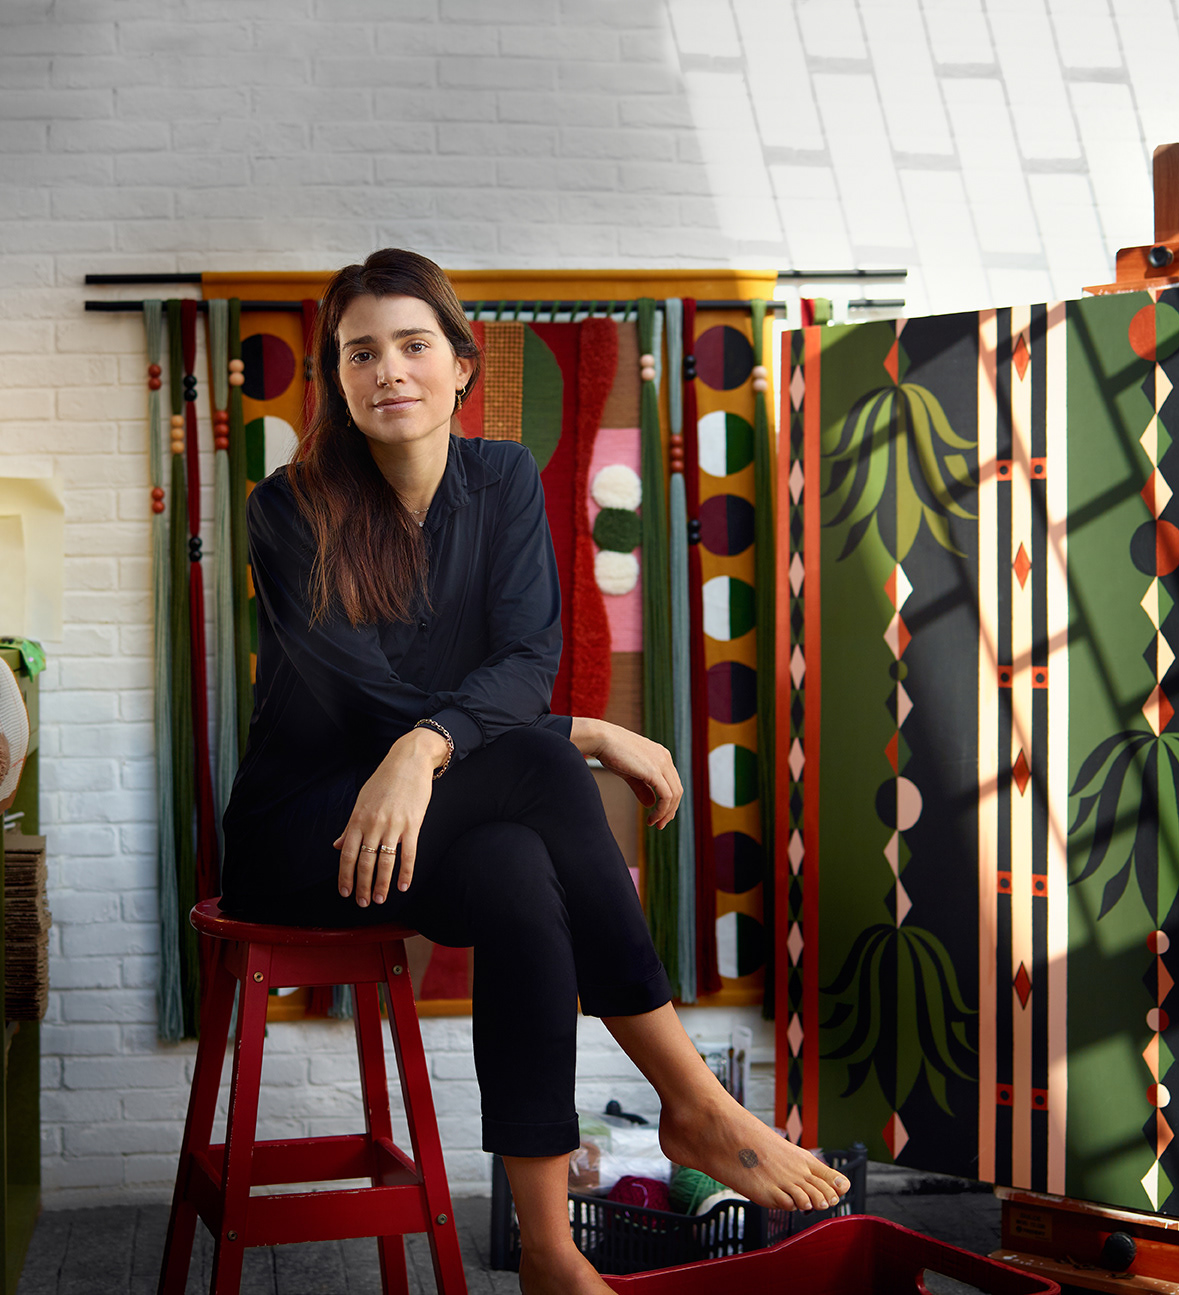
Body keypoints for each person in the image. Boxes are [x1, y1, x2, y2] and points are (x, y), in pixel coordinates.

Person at [220, 249, 849, 1294]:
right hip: (305, 837)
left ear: (462, 364)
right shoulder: (286, 508)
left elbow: (523, 658)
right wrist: (577, 733)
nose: (389, 370)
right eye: (360, 353)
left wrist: (429, 747)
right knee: (545, 770)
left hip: (423, 823)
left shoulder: (502, 477)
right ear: (334, 376)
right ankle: (692, 1099)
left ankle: (550, 1250)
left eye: (412, 344)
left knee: (518, 862)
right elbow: (363, 692)